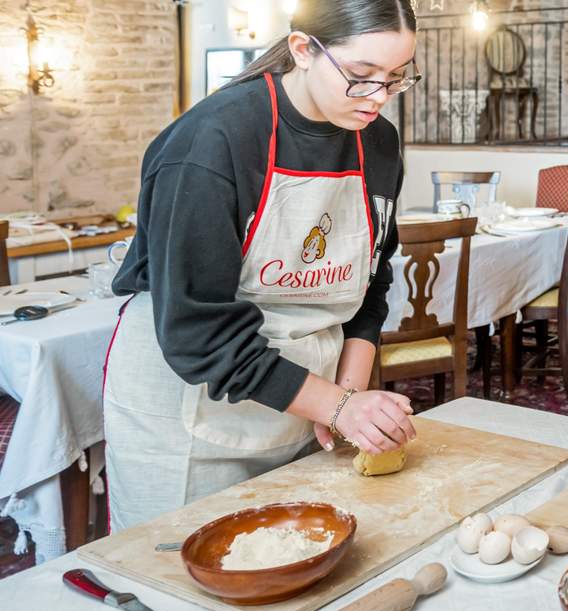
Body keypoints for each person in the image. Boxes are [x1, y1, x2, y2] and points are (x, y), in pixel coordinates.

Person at [104, 0, 422, 530]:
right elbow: (197, 331)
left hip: (306, 400)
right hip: (189, 415)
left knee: (299, 553)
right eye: (361, 75)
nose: (378, 97)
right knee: (180, 564)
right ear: (303, 49)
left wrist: (346, 396)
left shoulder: (379, 142)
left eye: (395, 78)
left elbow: (371, 281)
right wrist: (335, 405)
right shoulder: (213, 141)